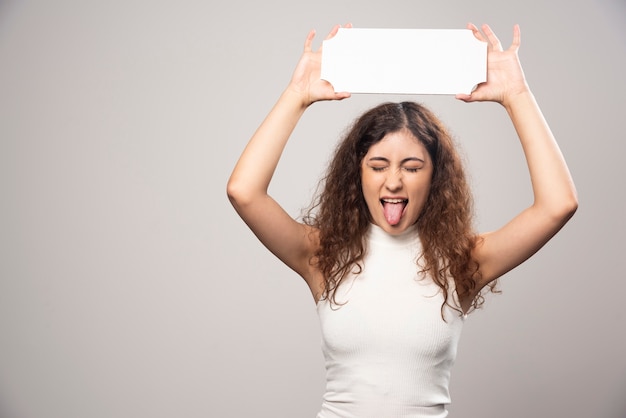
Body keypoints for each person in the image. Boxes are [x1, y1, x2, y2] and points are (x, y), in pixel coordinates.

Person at [227, 22, 577, 418]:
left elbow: (558, 204)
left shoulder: (464, 259)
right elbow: (244, 191)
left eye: (411, 167)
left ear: (435, 177)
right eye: (378, 166)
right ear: (356, 174)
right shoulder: (323, 256)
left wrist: (517, 95)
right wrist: (296, 95)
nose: (393, 181)